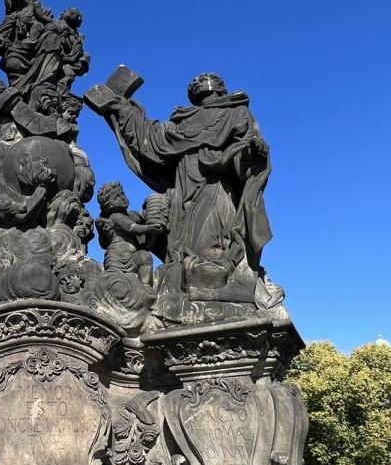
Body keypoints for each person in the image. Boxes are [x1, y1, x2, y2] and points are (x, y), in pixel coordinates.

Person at [86, 72, 274, 300]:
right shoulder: (183, 120)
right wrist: (121, 106)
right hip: (181, 189)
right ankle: (184, 289)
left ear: (218, 86)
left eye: (204, 79)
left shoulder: (236, 112)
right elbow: (151, 138)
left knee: (209, 243)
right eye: (194, 81)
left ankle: (212, 290)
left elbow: (246, 150)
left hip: (214, 185)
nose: (196, 82)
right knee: (180, 245)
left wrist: (253, 151)